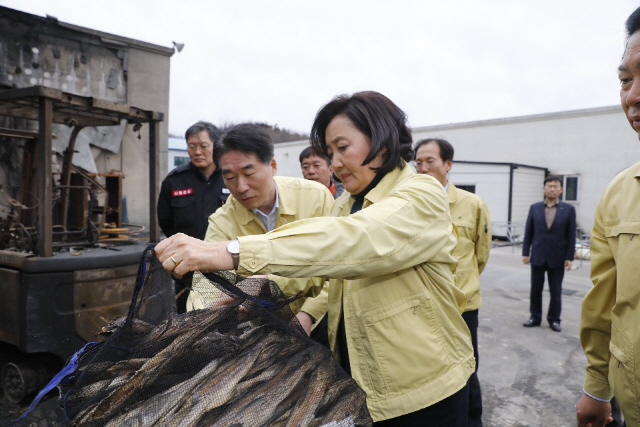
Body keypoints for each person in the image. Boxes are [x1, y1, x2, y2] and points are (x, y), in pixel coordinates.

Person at [155, 91, 475, 426]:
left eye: (343, 148)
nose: (334, 163)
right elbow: (321, 272)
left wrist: (231, 252)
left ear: (382, 140)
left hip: (424, 391)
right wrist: (259, 286)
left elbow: (352, 242)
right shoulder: (346, 202)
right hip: (364, 383)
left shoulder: (422, 194)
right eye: (330, 152)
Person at [190, 123, 334, 327]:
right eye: (229, 177)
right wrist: (204, 315)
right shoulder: (222, 221)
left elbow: (336, 267)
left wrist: (308, 314)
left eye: (249, 174)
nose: (241, 187)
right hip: (263, 328)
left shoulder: (315, 198)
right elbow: (206, 282)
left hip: (322, 320)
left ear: (273, 166)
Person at [576, 7, 640, 426]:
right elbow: (604, 302)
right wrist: (596, 387)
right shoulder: (618, 194)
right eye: (625, 80)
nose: (632, 96)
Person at [415, 138, 491, 427]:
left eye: (430, 161)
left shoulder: (472, 204)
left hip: (463, 306)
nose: (423, 168)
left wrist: (464, 283)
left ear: (448, 164)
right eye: (418, 163)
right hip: (424, 306)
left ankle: (473, 421)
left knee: (468, 370)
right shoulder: (411, 205)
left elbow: (480, 254)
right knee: (431, 372)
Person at [521, 175, 576, 332]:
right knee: (535, 289)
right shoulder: (535, 208)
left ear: (561, 190)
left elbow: (571, 235)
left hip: (557, 257)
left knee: (556, 291)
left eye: (555, 186)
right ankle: (535, 317)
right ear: (544, 189)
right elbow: (528, 232)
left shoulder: (569, 210)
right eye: (549, 186)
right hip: (538, 255)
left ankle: (554, 319)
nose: (552, 189)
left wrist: (569, 257)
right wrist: (525, 252)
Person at [157, 121, 229, 239]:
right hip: (187, 252)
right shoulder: (174, 181)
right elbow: (165, 221)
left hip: (223, 251)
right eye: (192, 147)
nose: (197, 152)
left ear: (216, 146)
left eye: (203, 146)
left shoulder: (229, 177)